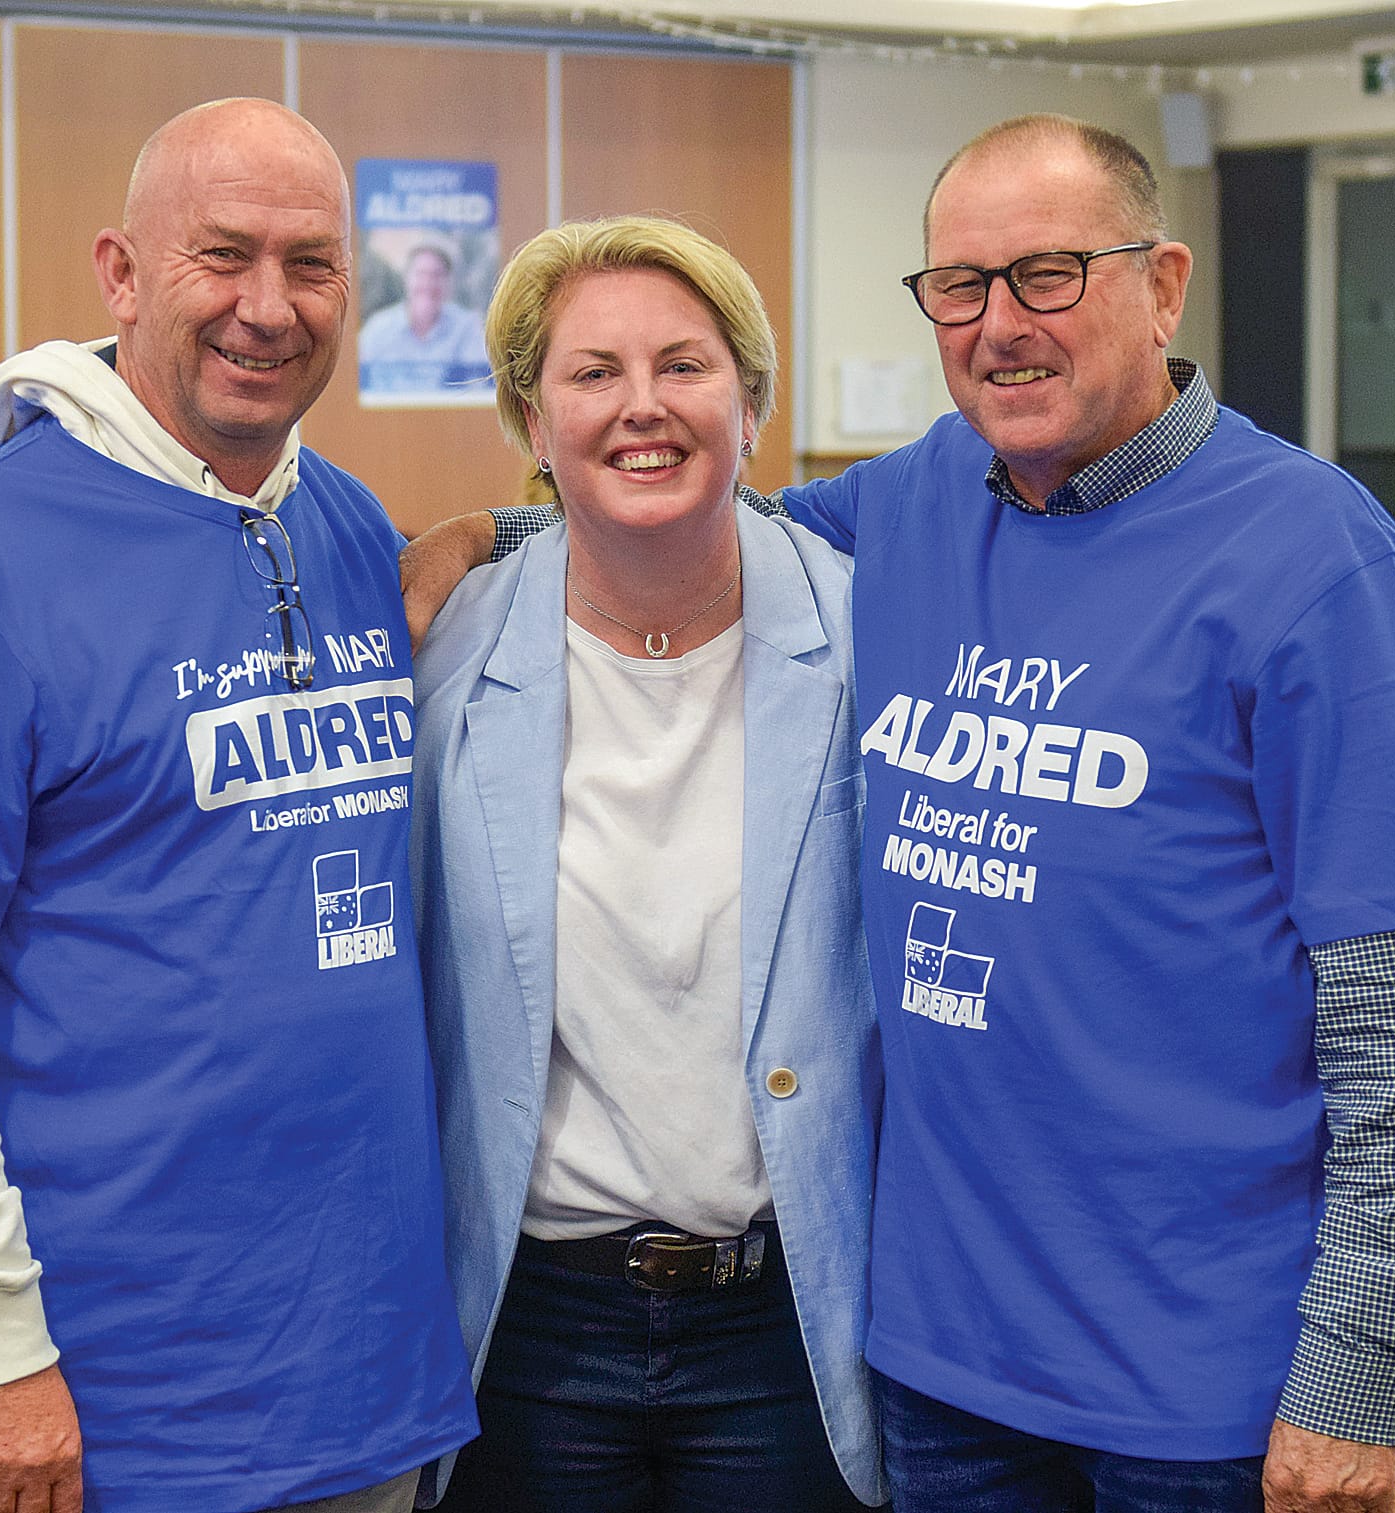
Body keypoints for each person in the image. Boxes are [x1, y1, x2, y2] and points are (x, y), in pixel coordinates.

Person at [402, 114, 1395, 1513]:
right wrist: (473, 544)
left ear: (1164, 284)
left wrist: (1348, 1377)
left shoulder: (1311, 557)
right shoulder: (922, 503)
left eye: (1050, 274)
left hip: (1210, 1396)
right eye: (961, 286)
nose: (1001, 324)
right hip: (937, 1377)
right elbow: (689, 517)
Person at [0, 98, 475, 1513]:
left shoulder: (341, 524)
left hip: (358, 1382)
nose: (268, 309)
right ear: (119, 272)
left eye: (312, 265)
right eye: (221, 256)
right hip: (96, 1408)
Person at [411, 216, 884, 1512]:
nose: (642, 408)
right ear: (529, 412)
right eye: (592, 372)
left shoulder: (867, 635)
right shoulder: (443, 649)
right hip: (531, 1326)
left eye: (684, 365)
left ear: (750, 397)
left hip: (788, 1322)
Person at [358, 242, 489, 392]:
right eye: (420, 274)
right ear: (406, 279)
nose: (427, 283)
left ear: (448, 283)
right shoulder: (377, 329)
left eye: (436, 275)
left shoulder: (468, 328)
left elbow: (479, 389)